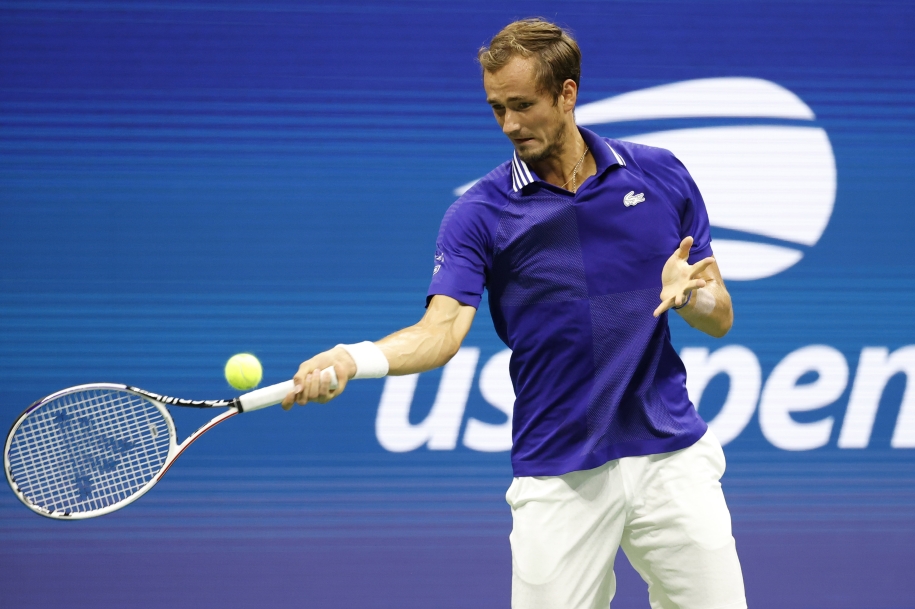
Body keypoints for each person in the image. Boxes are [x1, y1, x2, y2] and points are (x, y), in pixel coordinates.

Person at [282, 18, 746, 609]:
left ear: (567, 94)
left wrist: (690, 296)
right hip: (559, 471)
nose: (509, 125)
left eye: (523, 105)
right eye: (497, 108)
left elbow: (719, 316)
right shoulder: (480, 213)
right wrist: (353, 358)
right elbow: (440, 332)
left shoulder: (660, 174)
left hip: (670, 456)